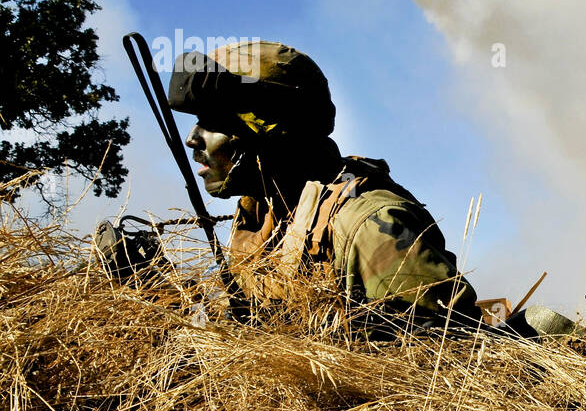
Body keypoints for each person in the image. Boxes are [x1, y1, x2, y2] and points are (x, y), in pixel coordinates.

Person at [167, 39, 482, 331]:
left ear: (273, 128)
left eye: (212, 121)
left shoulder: (368, 226)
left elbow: (449, 359)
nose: (192, 138)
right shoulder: (265, 213)